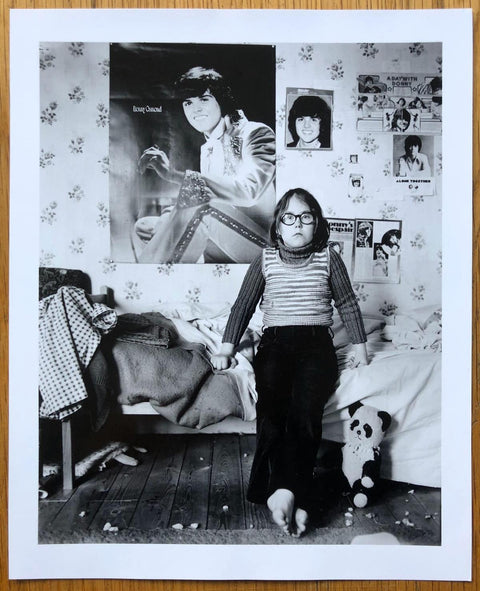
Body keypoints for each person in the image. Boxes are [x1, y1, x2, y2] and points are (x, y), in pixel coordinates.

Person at [211, 188, 369, 537]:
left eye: (306, 217)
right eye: (289, 217)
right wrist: (226, 347)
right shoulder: (264, 260)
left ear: (317, 225)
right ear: (278, 227)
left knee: (304, 409)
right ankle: (298, 498)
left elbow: (347, 303)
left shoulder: (329, 258)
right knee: (272, 410)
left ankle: (281, 492)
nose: (298, 224)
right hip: (275, 344)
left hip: (316, 346)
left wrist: (359, 346)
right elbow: (242, 306)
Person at [136, 66, 276, 263]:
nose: (196, 109)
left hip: (261, 246)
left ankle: (148, 279)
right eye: (188, 102)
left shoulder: (256, 133)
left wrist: (173, 174)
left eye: (203, 99)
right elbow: (207, 194)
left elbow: (249, 192)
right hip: (221, 238)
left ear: (221, 100)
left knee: (203, 207)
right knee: (146, 225)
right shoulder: (208, 146)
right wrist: (171, 216)